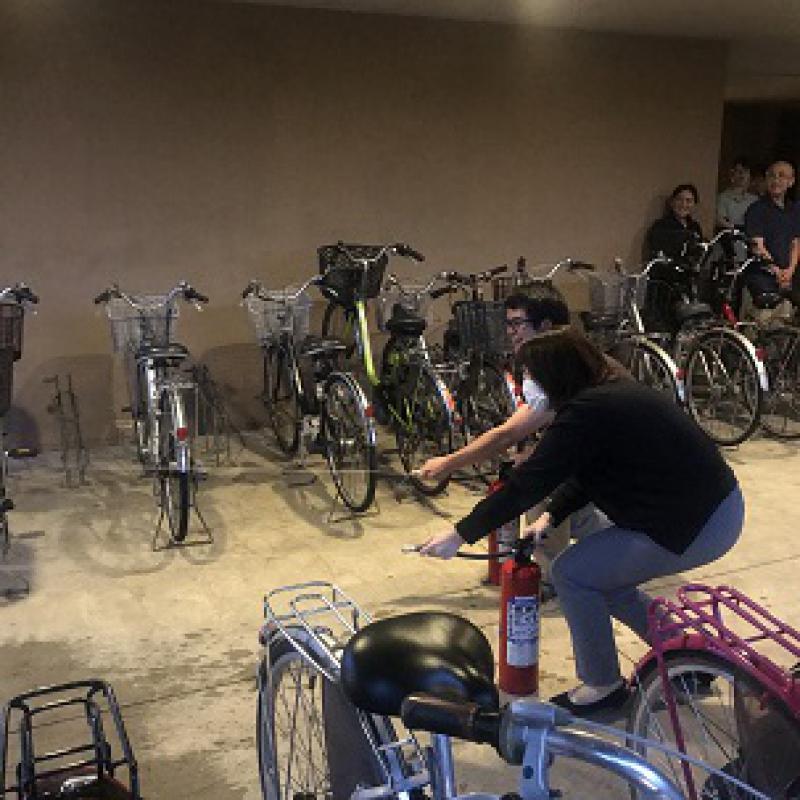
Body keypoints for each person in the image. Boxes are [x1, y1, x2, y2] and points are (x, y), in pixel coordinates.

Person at [417, 328, 744, 716]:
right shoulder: (606, 395)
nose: (526, 386)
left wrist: (460, 533)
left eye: (530, 376)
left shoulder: (588, 411)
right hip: (709, 510)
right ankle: (687, 656)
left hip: (693, 523)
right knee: (607, 581)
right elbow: (588, 470)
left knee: (573, 573)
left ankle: (603, 686)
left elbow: (526, 485)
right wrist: (552, 515)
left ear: (555, 375)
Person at [418, 290, 609, 599]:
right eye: (507, 324)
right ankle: (603, 545)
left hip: (641, 493)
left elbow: (508, 435)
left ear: (546, 326)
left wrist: (458, 531)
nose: (510, 332)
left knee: (540, 487)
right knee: (549, 489)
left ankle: (553, 578)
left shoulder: (565, 374)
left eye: (518, 323)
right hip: (605, 479)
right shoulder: (568, 363)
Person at [743, 159, 800, 313]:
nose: (776, 180)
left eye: (781, 176)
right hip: (760, 280)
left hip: (787, 281)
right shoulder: (756, 209)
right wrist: (777, 271)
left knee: (785, 322)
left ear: (791, 181)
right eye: (772, 176)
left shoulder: (794, 210)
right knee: (762, 323)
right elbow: (757, 246)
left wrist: (790, 270)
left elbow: (795, 242)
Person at [644, 183, 705, 260]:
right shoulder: (660, 226)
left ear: (694, 204)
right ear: (672, 202)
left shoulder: (695, 227)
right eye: (679, 199)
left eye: (688, 201)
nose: (683, 204)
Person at [716, 157, 758, 230]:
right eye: (739, 171)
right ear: (732, 174)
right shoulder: (723, 197)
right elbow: (720, 220)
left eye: (745, 171)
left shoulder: (754, 200)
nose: (742, 174)